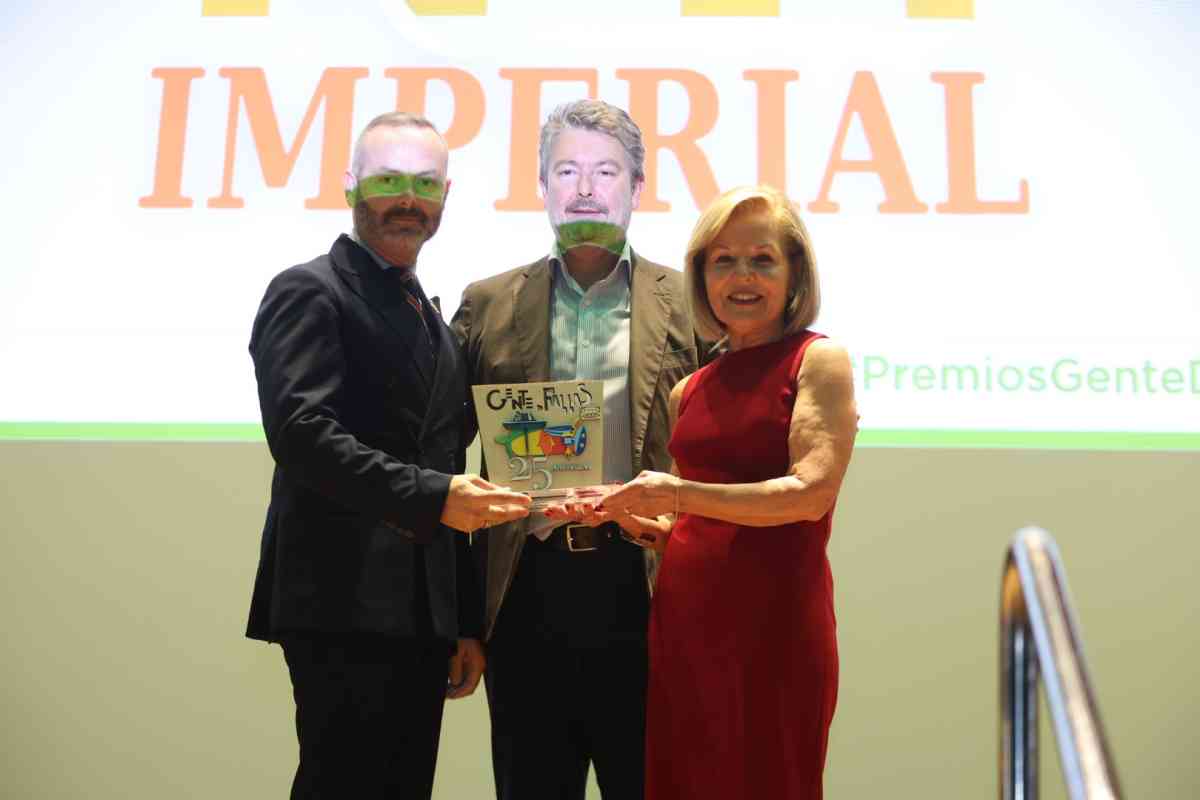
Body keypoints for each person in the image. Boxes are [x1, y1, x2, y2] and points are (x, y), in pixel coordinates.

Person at [245, 111, 530, 800]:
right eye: (388, 181)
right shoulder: (308, 290)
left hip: (420, 619)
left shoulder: (431, 316)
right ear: (351, 185)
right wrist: (435, 497)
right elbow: (301, 435)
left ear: (445, 196)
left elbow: (445, 461)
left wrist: (463, 620)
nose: (408, 199)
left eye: (425, 184)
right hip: (339, 604)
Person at [450, 99, 700, 799]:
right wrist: (461, 619)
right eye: (567, 171)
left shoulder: (693, 303)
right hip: (526, 593)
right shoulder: (488, 303)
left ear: (637, 187)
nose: (585, 188)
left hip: (647, 590)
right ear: (543, 185)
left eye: (605, 171)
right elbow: (441, 463)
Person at [596, 185, 858, 799]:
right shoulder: (689, 388)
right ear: (702, 276)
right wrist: (650, 526)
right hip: (685, 626)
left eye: (762, 260)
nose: (742, 277)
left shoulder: (818, 360)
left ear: (794, 274)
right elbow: (700, 519)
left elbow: (808, 495)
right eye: (724, 261)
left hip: (774, 627)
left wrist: (678, 496)